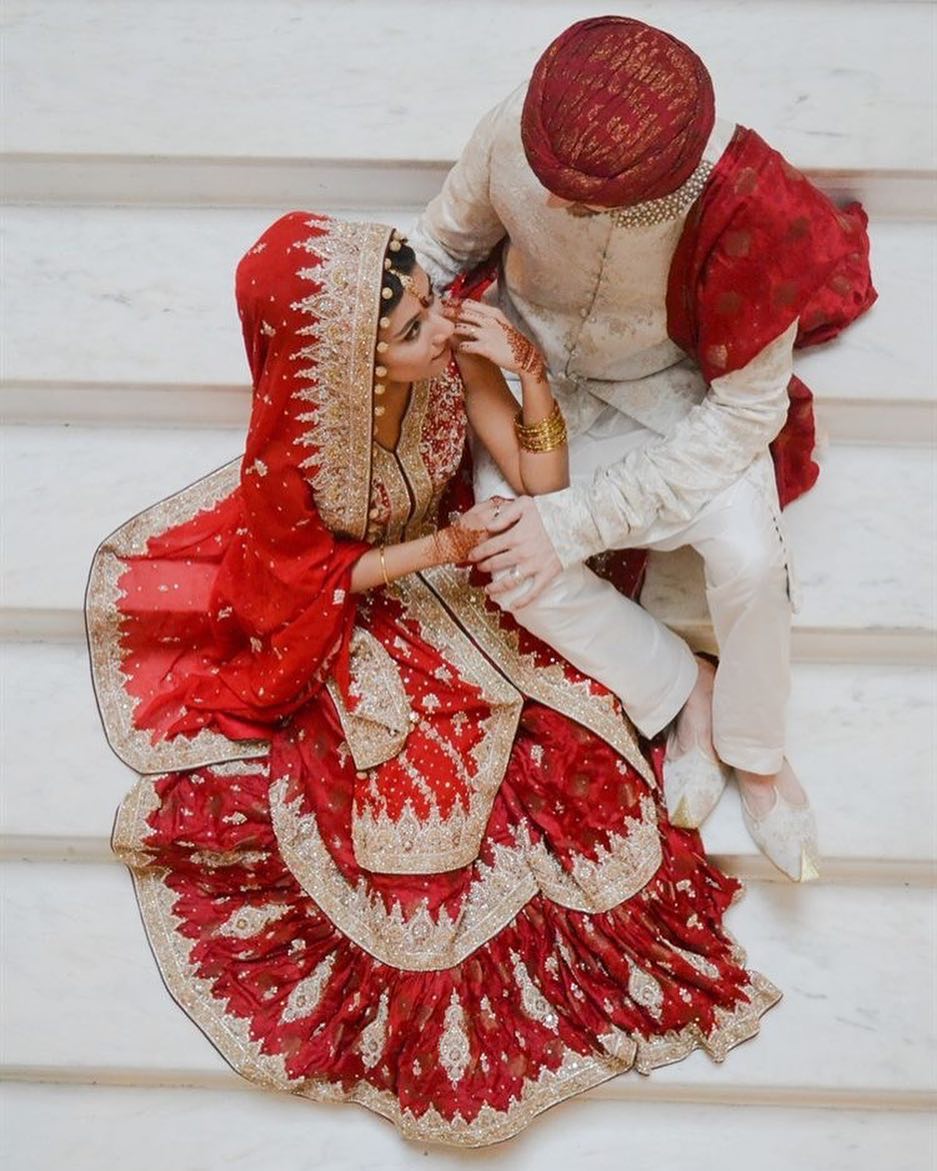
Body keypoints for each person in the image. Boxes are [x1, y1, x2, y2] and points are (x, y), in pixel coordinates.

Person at [86, 211, 780, 1147]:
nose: (439, 320)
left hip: (459, 562)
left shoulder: (450, 349)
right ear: (358, 364)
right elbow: (310, 579)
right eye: (412, 323)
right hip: (369, 596)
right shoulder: (303, 450)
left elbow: (540, 485)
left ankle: (674, 688)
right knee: (417, 805)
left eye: (426, 296)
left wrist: (529, 376)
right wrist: (436, 549)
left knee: (565, 739)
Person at [411, 15, 877, 883]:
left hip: (671, 388)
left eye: (585, 203)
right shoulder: (521, 127)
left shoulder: (743, 202)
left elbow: (744, 414)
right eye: (547, 180)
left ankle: (758, 753)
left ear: (661, 191)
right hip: (527, 373)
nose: (553, 205)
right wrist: (382, 314)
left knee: (749, 560)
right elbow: (442, 244)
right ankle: (681, 690)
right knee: (503, 559)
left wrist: (575, 522)